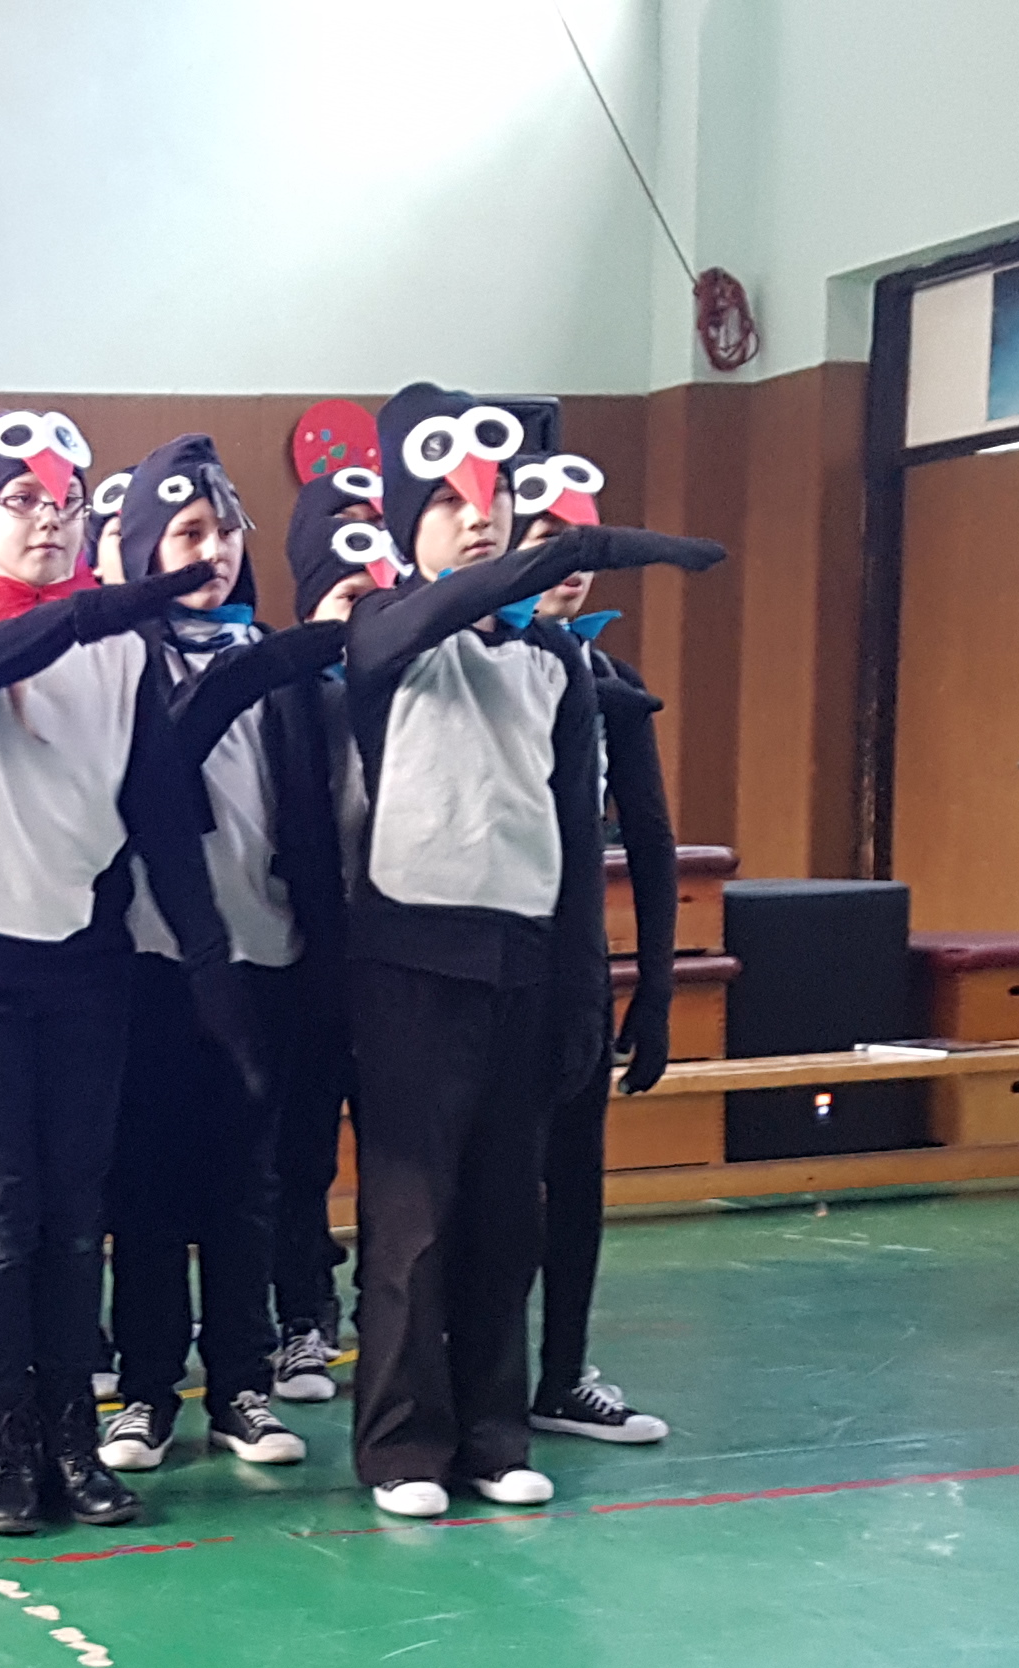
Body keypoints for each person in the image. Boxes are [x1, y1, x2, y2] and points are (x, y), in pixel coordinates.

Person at [338, 382, 726, 1519]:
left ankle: (492, 1433)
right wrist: (586, 546)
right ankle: (402, 1446)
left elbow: (568, 842)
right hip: (411, 959)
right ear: (408, 522)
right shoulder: (385, 631)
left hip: (520, 958)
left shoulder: (555, 665)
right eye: (451, 502)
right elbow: (427, 615)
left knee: (507, 1214)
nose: (480, 517)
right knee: (413, 1223)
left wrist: (581, 997)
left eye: (496, 498)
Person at [0, 408, 261, 1534]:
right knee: (1, 1213)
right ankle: (5, 1448)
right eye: (20, 503)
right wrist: (102, 605)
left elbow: (160, 816)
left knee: (73, 1216)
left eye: (62, 504)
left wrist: (214, 967)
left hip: (87, 969)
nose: (46, 521)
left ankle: (70, 1437)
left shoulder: (124, 655)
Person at [97, 435, 349, 1475]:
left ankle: (242, 1383)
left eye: (226, 531)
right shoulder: (126, 665)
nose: (213, 551)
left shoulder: (275, 662)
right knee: (150, 1193)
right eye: (188, 533)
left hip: (267, 955)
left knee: (249, 1187)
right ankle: (147, 1389)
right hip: (155, 963)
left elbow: (308, 811)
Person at [508, 451, 681, 1448]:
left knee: (578, 1177)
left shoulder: (613, 677)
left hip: (576, 963)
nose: (570, 563)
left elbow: (650, 837)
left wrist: (653, 986)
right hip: (490, 967)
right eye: (546, 541)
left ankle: (565, 1372)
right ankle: (472, 1374)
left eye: (582, 543)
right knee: (493, 1190)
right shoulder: (475, 665)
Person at [264, 464, 394, 1404]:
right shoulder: (282, 690)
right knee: (299, 1154)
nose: (362, 615)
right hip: (307, 958)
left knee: (398, 1156)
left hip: (398, 958)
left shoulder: (410, 684)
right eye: (346, 596)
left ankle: (391, 1313)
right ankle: (301, 1318)